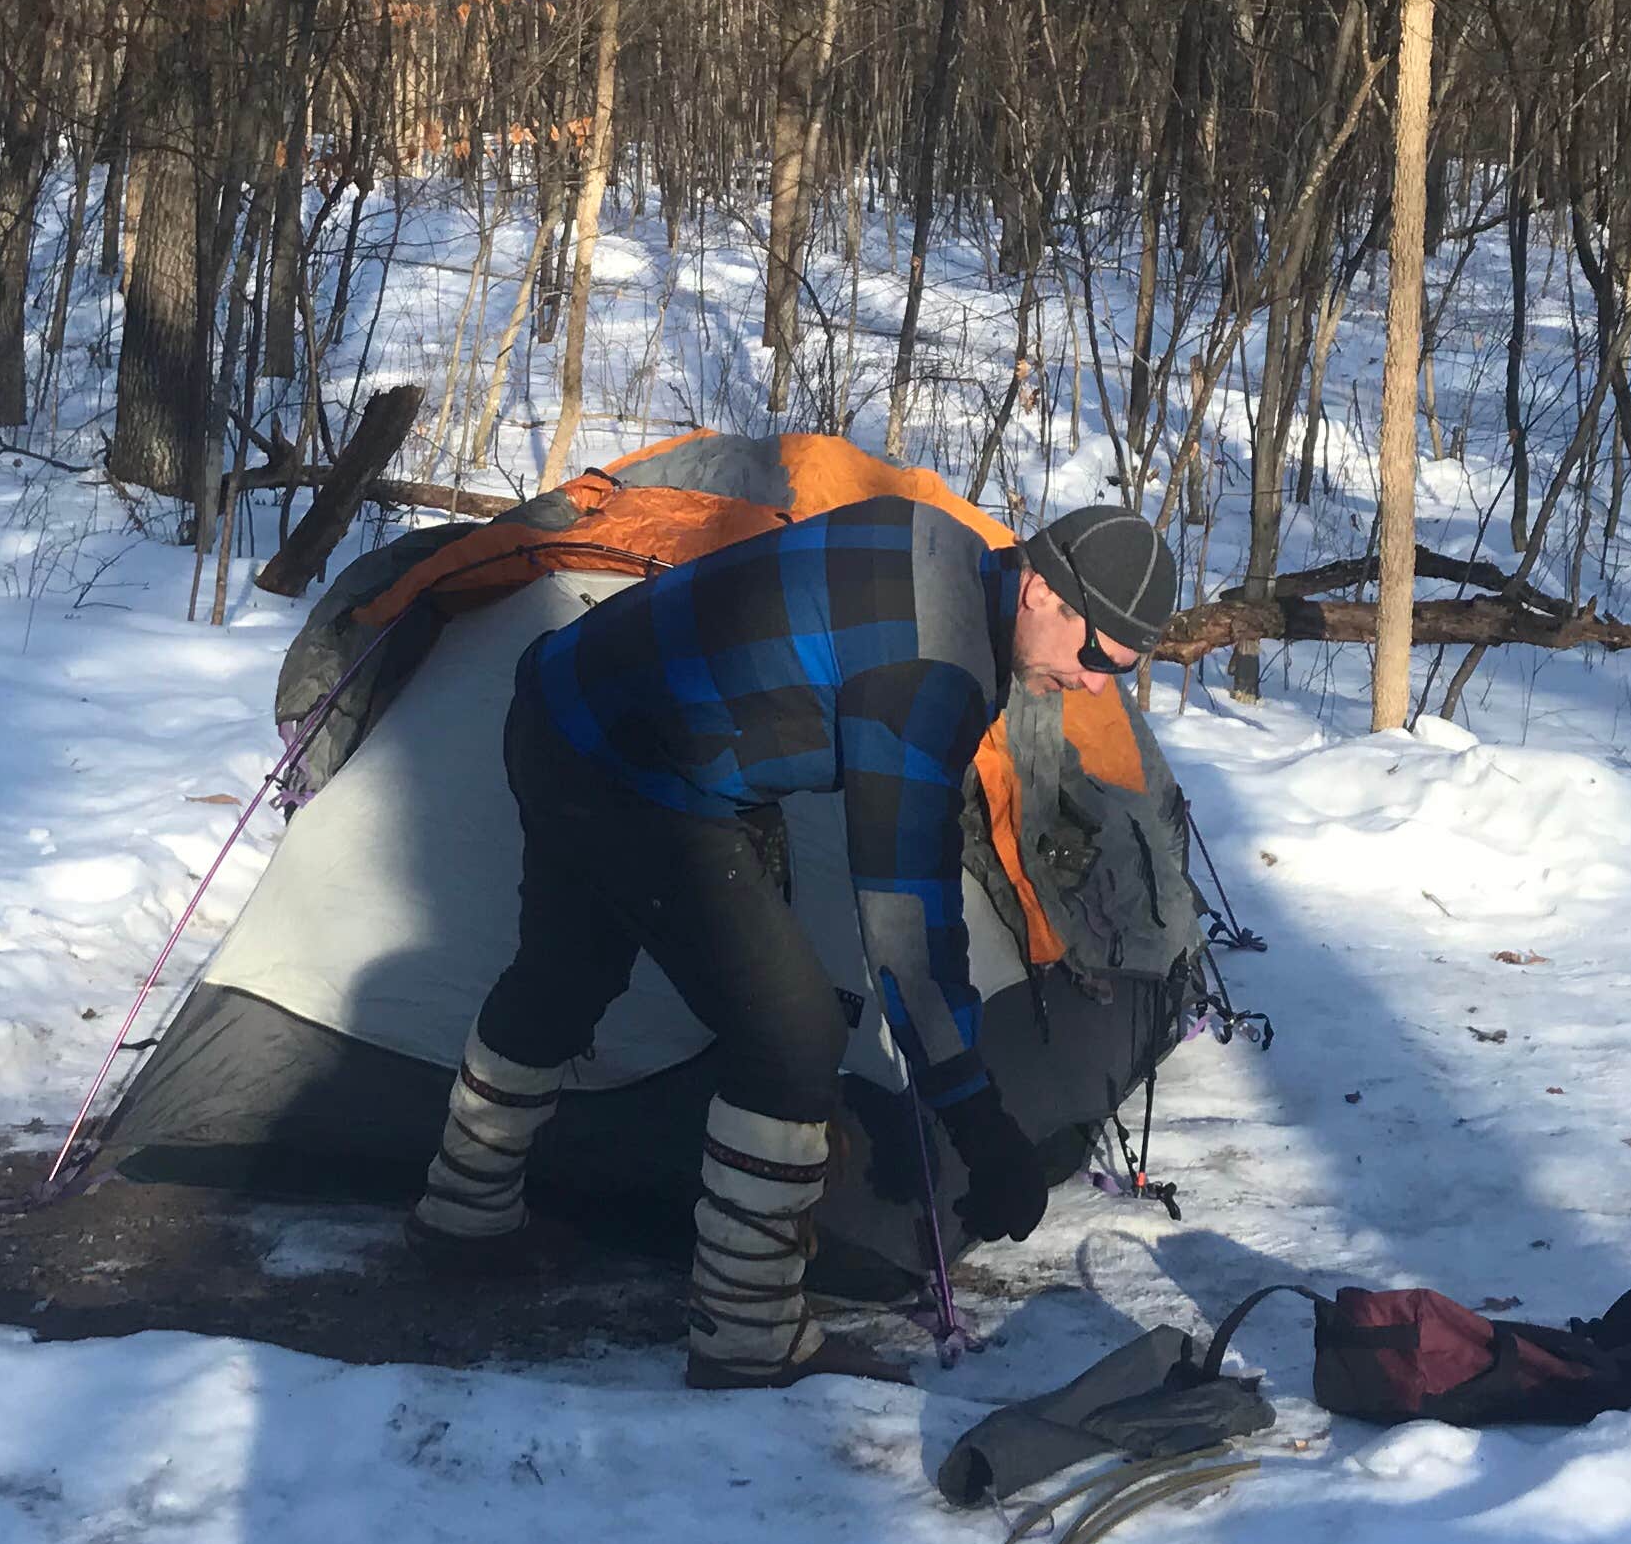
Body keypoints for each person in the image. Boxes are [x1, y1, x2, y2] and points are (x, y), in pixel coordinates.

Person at [410, 497, 1182, 1389]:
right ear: (1042, 587)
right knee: (794, 1035)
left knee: (566, 971)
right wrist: (980, 1121)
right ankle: (746, 1335)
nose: (1093, 685)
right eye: (1094, 656)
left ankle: (460, 1218)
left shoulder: (946, 550)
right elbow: (905, 912)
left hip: (565, 705)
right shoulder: (934, 666)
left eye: (1116, 673)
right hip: (630, 762)